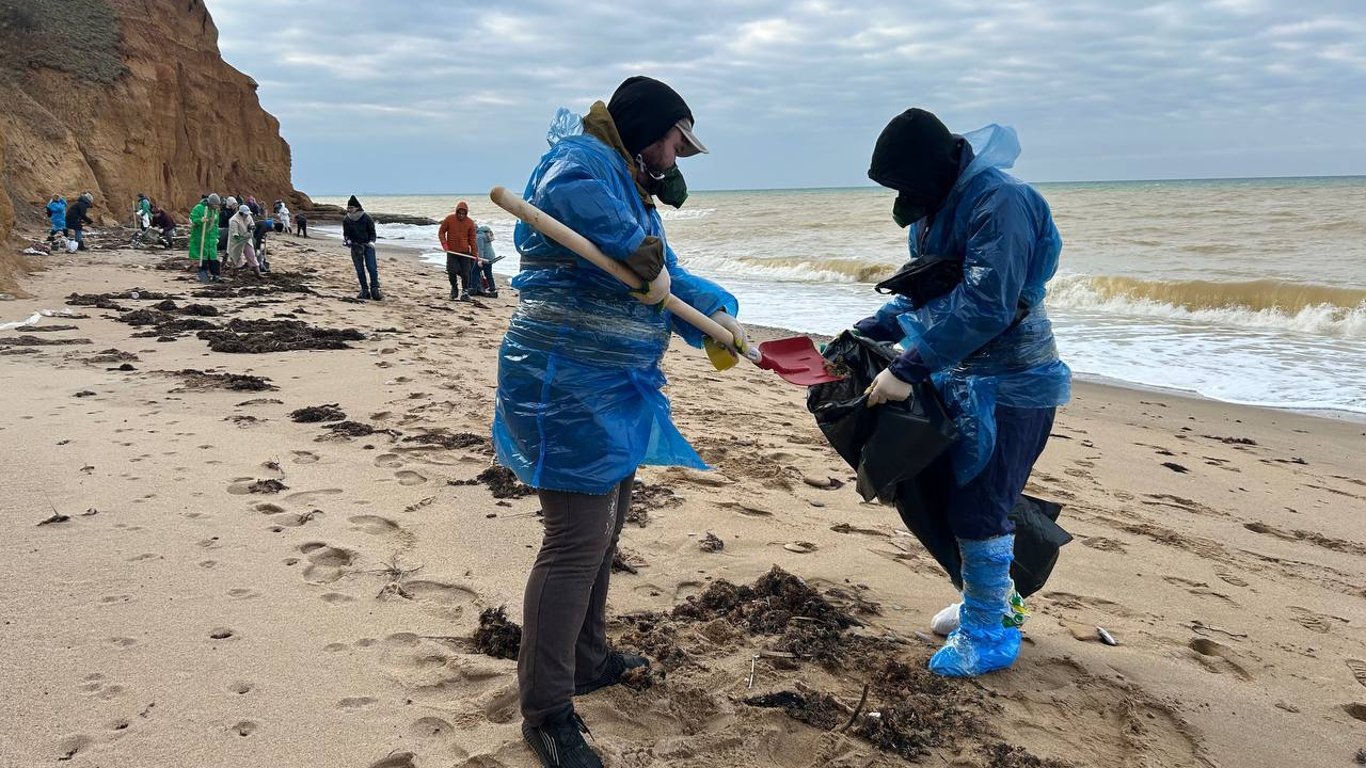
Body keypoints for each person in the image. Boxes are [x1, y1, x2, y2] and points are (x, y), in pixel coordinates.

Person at [495, 76, 749, 768]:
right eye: (675, 140)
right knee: (575, 540)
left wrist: (717, 315)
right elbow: (571, 205)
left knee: (605, 530)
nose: (677, 155)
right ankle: (546, 711)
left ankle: (587, 657)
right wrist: (642, 262)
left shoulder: (629, 181)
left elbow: (662, 271)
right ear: (647, 130)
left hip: (615, 386)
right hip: (564, 385)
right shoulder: (583, 161)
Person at [851, 108, 1071, 679]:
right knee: (952, 495)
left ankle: (989, 632)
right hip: (958, 373)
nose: (902, 195)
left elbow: (987, 304)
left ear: (937, 167)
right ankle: (989, 602)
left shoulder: (1001, 202)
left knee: (982, 504)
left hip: (1013, 383)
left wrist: (911, 367)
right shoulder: (932, 209)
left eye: (905, 183)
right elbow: (923, 287)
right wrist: (875, 327)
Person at [342, 195, 381, 300]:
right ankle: (364, 290)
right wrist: (348, 241)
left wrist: (372, 242)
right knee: (359, 269)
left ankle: (375, 289)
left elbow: (372, 232)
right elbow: (346, 234)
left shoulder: (367, 217)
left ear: (357, 208)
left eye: (351, 208)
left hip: (368, 245)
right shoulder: (346, 219)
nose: (349, 209)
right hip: (355, 246)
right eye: (348, 208)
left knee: (372, 268)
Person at [438, 201, 479, 301]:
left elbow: (472, 240)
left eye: (463, 214)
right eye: (459, 213)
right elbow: (441, 232)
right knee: (451, 271)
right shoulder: (449, 219)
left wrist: (474, 254)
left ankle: (465, 292)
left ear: (466, 213)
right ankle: (454, 288)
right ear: (457, 212)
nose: (461, 215)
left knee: (466, 273)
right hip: (452, 252)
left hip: (465, 253)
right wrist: (444, 244)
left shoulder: (470, 223)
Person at [188, 194, 222, 281]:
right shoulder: (198, 208)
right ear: (210, 203)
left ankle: (216, 275)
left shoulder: (215, 212)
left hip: (211, 239)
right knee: (203, 258)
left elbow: (215, 225)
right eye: (215, 204)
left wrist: (216, 236)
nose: (217, 207)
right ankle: (203, 275)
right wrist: (200, 220)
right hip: (201, 237)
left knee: (213, 258)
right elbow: (192, 220)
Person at [226, 202, 256, 271]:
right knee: (236, 256)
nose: (247, 215)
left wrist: (251, 227)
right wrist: (240, 239)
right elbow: (235, 234)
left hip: (247, 239)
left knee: (251, 254)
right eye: (245, 214)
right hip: (237, 241)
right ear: (241, 213)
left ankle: (257, 272)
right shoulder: (234, 220)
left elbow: (252, 224)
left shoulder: (248, 216)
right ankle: (235, 273)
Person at [474, 224, 499, 298]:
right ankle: (492, 288)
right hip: (491, 256)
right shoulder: (486, 233)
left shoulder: (479, 237)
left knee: (474, 272)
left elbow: (480, 249)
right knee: (488, 273)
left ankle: (474, 288)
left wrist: (480, 260)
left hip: (484, 257)